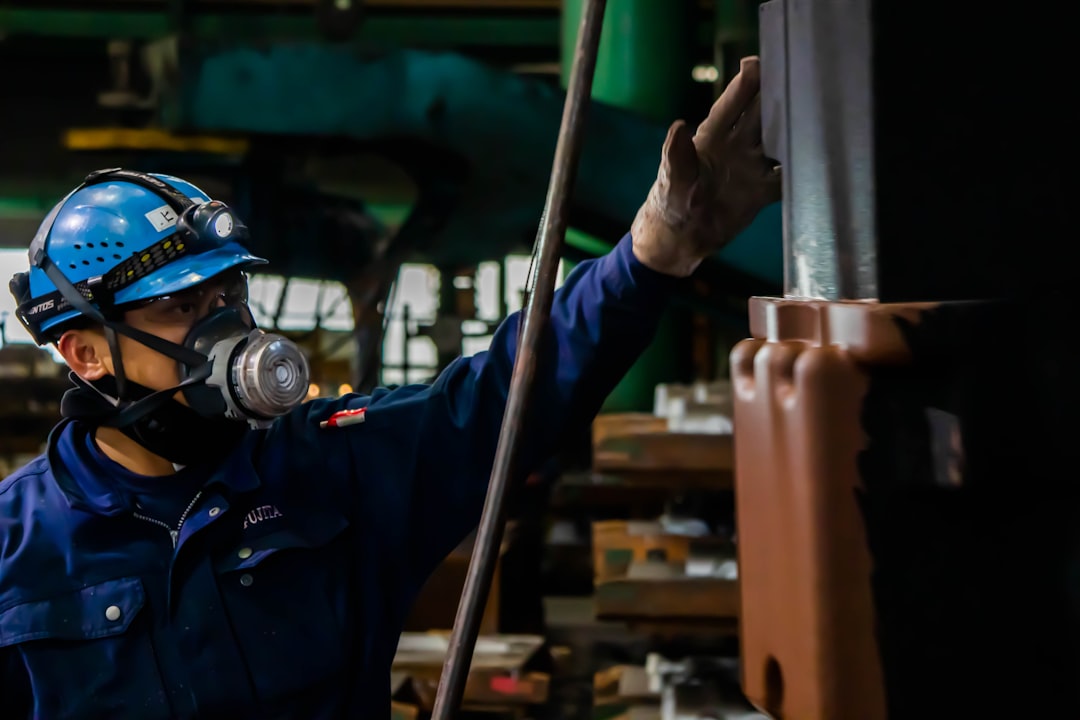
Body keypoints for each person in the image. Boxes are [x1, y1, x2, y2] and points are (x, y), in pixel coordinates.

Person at [0, 58, 779, 718]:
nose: (221, 327)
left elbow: (505, 394)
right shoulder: (16, 547)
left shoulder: (330, 468)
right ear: (86, 354)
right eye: (179, 308)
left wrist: (652, 255)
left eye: (225, 298)